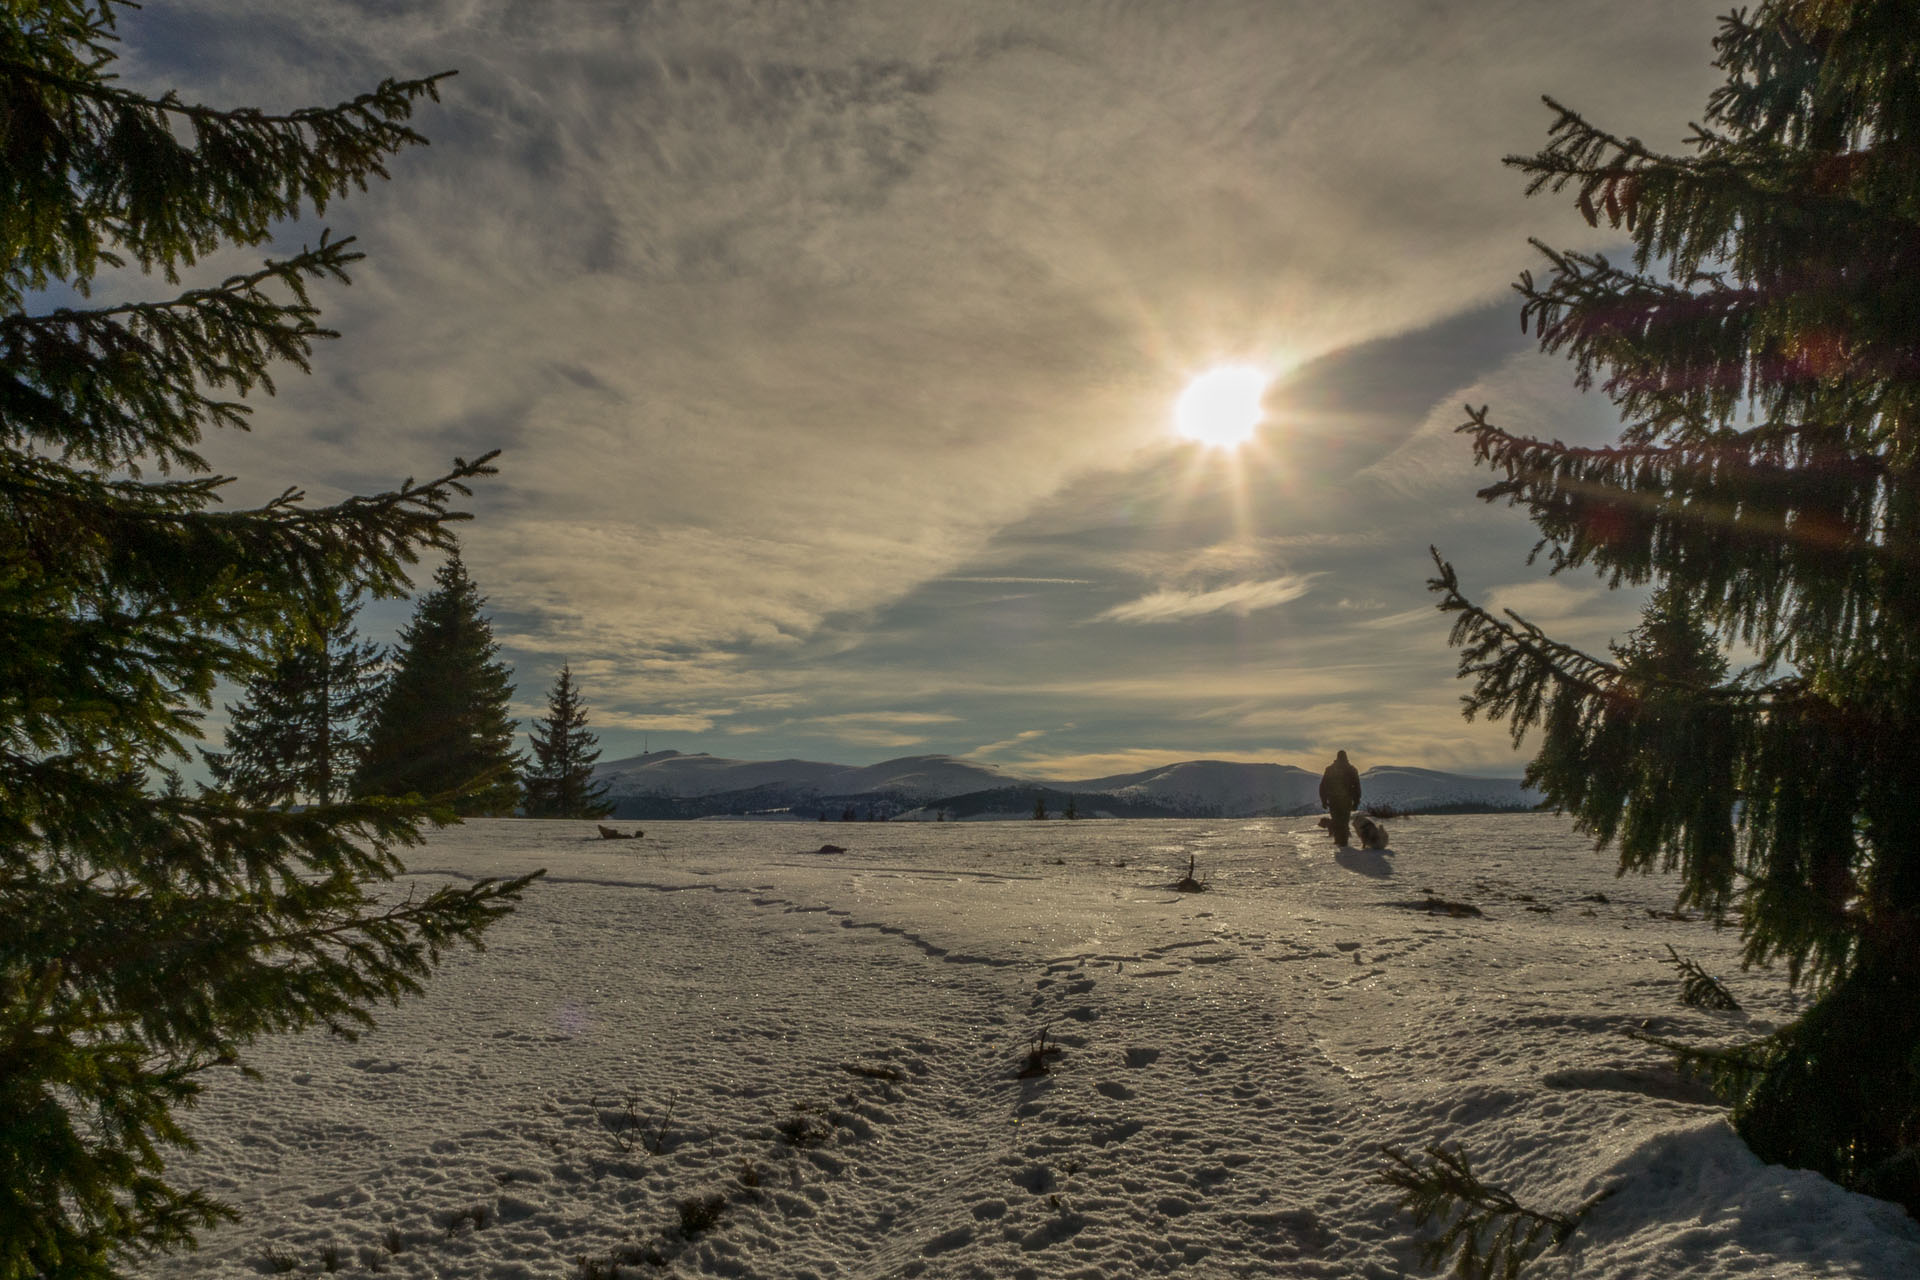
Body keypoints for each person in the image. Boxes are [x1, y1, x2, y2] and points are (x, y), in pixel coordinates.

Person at [1319, 749, 1362, 847]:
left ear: (1337, 757)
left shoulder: (1330, 769)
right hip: (1346, 800)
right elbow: (1357, 787)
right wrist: (1356, 801)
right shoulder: (1352, 769)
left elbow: (1323, 786)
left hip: (1333, 800)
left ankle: (1339, 841)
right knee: (1344, 821)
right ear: (1346, 757)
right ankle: (1343, 841)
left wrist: (1324, 800)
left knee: (1336, 820)